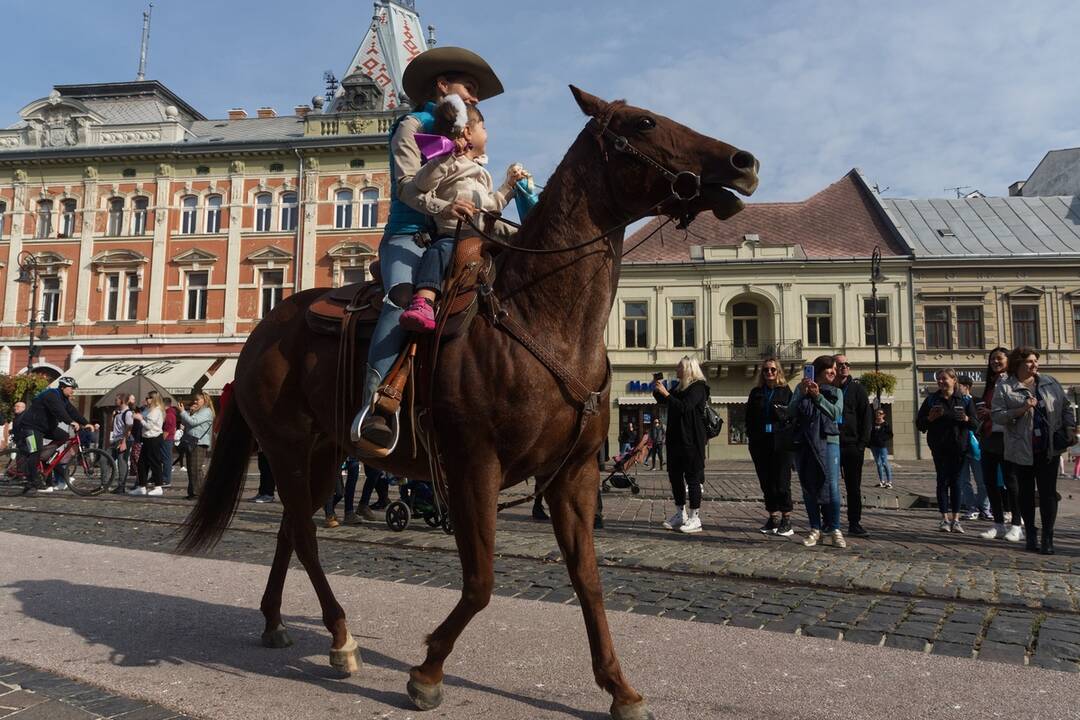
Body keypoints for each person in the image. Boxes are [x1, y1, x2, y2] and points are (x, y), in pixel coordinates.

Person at [355, 46, 504, 448]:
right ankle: (375, 407)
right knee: (401, 301)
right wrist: (444, 207)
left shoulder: (464, 138)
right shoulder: (413, 125)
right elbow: (407, 188)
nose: (475, 97)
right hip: (408, 237)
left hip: (453, 237)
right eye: (469, 87)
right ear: (442, 86)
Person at [398, 98, 527, 332]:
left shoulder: (482, 173)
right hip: (452, 236)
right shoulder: (447, 162)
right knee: (439, 252)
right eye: (484, 128)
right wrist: (445, 158)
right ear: (467, 131)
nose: (487, 134)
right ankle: (424, 300)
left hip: (481, 237)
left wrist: (509, 186)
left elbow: (490, 207)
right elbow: (422, 183)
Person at [993, 347, 1076, 555]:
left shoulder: (1049, 382)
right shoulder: (1005, 386)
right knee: (1026, 494)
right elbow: (997, 416)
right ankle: (1030, 533)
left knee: (1048, 494)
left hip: (1048, 448)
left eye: (1035, 361)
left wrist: (1069, 427)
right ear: (1018, 364)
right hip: (1021, 448)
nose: (1035, 365)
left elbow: (1066, 406)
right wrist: (1021, 409)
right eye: (1030, 361)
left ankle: (1048, 537)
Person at [790, 356, 845, 548]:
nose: (833, 372)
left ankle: (834, 529)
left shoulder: (837, 391)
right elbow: (791, 411)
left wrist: (817, 396)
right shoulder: (800, 388)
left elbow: (836, 413)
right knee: (808, 486)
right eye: (830, 368)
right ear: (818, 370)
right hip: (805, 442)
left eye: (835, 369)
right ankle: (815, 528)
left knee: (832, 486)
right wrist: (802, 394)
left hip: (829, 441)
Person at [916, 369, 978, 533]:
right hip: (939, 447)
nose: (941, 382)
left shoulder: (964, 400)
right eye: (939, 379)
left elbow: (975, 424)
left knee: (956, 482)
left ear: (954, 380)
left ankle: (956, 520)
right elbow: (919, 424)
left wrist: (966, 418)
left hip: (959, 447)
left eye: (944, 379)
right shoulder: (931, 400)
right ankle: (944, 519)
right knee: (942, 481)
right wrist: (930, 418)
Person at [652, 356, 709, 534]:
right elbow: (664, 401)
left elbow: (685, 406)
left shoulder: (699, 387)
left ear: (688, 369)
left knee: (692, 479)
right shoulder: (679, 387)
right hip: (675, 440)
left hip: (691, 440)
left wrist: (667, 394)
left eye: (679, 367)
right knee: (675, 477)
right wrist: (658, 388)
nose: (676, 369)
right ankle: (680, 514)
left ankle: (695, 517)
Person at [746, 358, 795, 536]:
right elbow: (748, 417)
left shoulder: (785, 391)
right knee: (766, 482)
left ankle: (786, 518)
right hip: (761, 443)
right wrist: (751, 437)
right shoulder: (756, 392)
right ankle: (773, 517)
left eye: (773, 369)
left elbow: (792, 417)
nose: (769, 373)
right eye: (766, 370)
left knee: (782, 482)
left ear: (778, 371)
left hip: (781, 443)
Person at [976, 348, 1021, 541]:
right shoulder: (992, 382)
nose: (995, 362)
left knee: (1011, 482)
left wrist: (991, 412)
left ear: (1008, 360)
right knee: (990, 482)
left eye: (999, 358)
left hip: (1007, 436)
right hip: (989, 437)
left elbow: (1017, 406)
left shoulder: (1014, 381)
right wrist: (982, 413)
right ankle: (998, 524)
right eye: (992, 359)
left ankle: (1017, 525)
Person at [16, 377, 89, 494]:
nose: (73, 391)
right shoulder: (51, 395)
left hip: (46, 427)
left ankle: (46, 456)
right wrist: (70, 421)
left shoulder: (64, 399)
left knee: (64, 436)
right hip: (31, 427)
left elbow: (72, 411)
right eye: (71, 388)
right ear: (62, 387)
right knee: (35, 452)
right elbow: (59, 411)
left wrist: (86, 423)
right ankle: (33, 481)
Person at [833, 354, 872, 537]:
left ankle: (854, 523)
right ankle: (829, 522)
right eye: (840, 364)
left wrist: (862, 444)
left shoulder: (857, 389)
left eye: (847, 364)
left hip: (852, 445)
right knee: (829, 485)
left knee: (853, 487)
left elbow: (866, 417)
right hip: (831, 443)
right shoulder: (827, 387)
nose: (844, 367)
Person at [956, 375, 991, 521]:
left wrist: (968, 419)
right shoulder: (954, 402)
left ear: (966, 387)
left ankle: (985, 508)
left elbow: (980, 423)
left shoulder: (978, 402)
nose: (956, 388)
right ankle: (972, 508)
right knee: (964, 481)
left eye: (958, 385)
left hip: (977, 445)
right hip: (961, 446)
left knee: (982, 480)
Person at [178, 392, 214, 500]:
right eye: (194, 399)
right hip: (191, 441)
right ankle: (194, 492)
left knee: (195, 469)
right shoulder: (197, 411)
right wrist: (189, 413)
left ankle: (198, 493)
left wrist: (183, 412)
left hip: (199, 443)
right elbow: (185, 423)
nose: (195, 401)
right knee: (191, 468)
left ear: (204, 400)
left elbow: (193, 422)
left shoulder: (206, 411)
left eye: (197, 400)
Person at [129, 391, 165, 496]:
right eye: (146, 397)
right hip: (146, 438)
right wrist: (136, 414)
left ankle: (158, 486)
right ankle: (142, 486)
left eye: (148, 398)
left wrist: (140, 419)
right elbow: (141, 415)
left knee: (155, 462)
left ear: (154, 399)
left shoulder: (156, 410)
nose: (146, 399)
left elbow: (149, 426)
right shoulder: (148, 409)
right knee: (142, 463)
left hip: (154, 438)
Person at [110, 394, 135, 494]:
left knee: (122, 462)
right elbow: (113, 427)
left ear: (122, 401)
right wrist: (113, 416)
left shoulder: (128, 413)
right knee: (105, 459)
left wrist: (124, 442)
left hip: (124, 440)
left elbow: (129, 428)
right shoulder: (118, 413)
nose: (115, 401)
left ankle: (121, 486)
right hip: (116, 439)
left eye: (116, 399)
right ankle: (105, 484)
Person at [869, 409, 893, 488]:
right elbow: (870, 434)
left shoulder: (886, 424)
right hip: (874, 446)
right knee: (878, 464)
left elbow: (890, 435)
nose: (878, 415)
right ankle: (882, 481)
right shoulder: (873, 424)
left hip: (882, 446)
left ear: (883, 415)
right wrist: (869, 443)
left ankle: (889, 482)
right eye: (877, 413)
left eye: (880, 413)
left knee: (885, 463)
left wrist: (882, 439)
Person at [160, 397, 178, 488]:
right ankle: (162, 477)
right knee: (164, 459)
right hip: (168, 439)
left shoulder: (169, 414)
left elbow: (167, 429)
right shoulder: (168, 413)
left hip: (167, 439)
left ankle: (166, 479)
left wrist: (161, 440)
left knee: (166, 459)